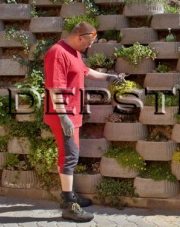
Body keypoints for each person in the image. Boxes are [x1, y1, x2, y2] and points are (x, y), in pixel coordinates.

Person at [43, 22, 125, 222]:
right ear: (80, 37)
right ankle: (69, 205)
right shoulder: (57, 53)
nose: (89, 47)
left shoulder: (74, 52)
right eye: (88, 43)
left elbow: (86, 72)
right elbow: (55, 89)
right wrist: (63, 117)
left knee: (70, 155)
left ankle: (68, 196)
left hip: (72, 114)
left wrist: (109, 77)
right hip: (63, 115)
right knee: (70, 156)